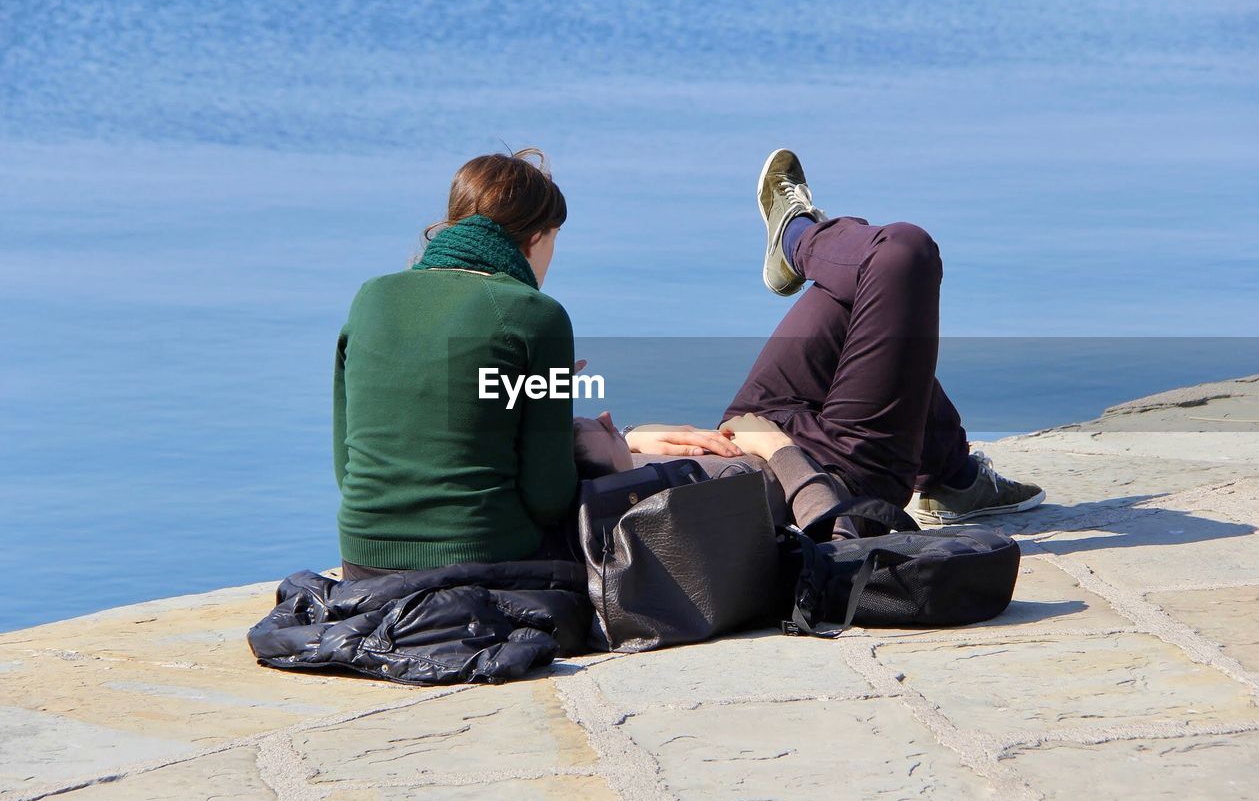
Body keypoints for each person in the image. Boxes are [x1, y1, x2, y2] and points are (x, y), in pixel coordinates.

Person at [333, 149, 743, 580]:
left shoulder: (370, 298)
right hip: (484, 562)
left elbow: (349, 470)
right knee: (693, 485)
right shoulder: (535, 314)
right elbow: (549, 497)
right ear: (537, 237)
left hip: (362, 562)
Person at [717, 149, 1045, 525]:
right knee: (900, 254)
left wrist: (634, 437)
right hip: (830, 470)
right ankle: (798, 239)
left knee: (866, 293)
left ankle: (956, 477)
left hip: (747, 430)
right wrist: (778, 450)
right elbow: (823, 534)